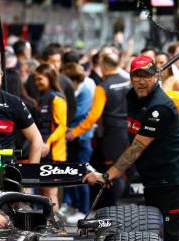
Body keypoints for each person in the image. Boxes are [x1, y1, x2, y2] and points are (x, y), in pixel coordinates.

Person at [83, 55, 179, 241]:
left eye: (147, 75)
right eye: (137, 76)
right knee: (155, 237)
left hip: (171, 180)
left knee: (170, 238)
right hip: (154, 179)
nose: (141, 81)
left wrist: (108, 175)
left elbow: (136, 148)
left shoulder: (160, 107)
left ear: (156, 76)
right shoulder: (133, 98)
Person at [66, 46, 130, 208]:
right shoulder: (128, 82)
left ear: (103, 65)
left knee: (111, 173)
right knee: (122, 171)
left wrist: (75, 132)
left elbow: (94, 116)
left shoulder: (103, 87)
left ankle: (113, 210)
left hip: (111, 135)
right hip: (129, 131)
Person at [60, 62, 95, 219]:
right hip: (73, 138)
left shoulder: (85, 91)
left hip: (82, 139)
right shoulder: (76, 90)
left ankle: (83, 210)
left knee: (83, 175)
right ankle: (74, 206)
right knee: (72, 174)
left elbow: (78, 113)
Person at [34, 63, 67, 209]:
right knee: (43, 192)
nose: (37, 82)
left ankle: (55, 225)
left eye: (40, 79)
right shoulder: (42, 98)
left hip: (54, 153)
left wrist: (48, 142)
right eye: (36, 79)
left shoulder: (57, 99)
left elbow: (62, 127)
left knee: (51, 193)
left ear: (49, 78)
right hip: (43, 151)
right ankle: (47, 223)